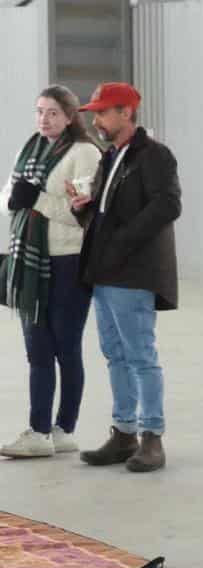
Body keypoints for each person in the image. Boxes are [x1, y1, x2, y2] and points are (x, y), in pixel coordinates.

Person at [70, 82, 181, 473]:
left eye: (102, 112)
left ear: (126, 113)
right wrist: (84, 208)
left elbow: (168, 204)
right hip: (104, 272)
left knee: (139, 356)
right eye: (95, 113)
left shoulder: (154, 156)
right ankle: (123, 433)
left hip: (133, 273)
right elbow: (106, 212)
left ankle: (152, 437)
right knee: (115, 355)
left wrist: (120, 240)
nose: (96, 120)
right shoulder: (111, 157)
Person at [0, 86, 101, 458]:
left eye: (53, 113)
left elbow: (83, 217)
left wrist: (37, 199)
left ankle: (64, 429)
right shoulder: (29, 149)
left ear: (71, 116)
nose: (44, 119)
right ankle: (39, 430)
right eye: (40, 111)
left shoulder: (86, 153)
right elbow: (13, 195)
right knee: (37, 349)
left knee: (65, 348)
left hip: (68, 261)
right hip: (30, 261)